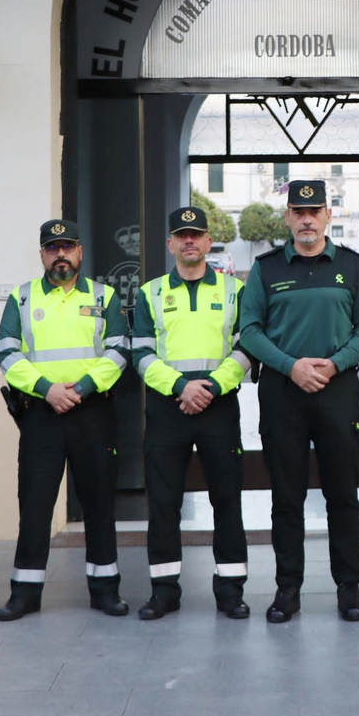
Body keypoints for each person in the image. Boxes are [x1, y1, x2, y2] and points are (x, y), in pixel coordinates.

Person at [237, 180, 359, 623]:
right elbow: (250, 331)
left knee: (343, 494)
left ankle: (349, 589)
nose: (306, 219)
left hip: (336, 390)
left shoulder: (353, 267)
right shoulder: (265, 269)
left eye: (314, 210)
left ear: (327, 215)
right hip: (283, 392)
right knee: (287, 497)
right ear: (287, 218)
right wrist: (290, 366)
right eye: (298, 211)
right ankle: (288, 590)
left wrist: (334, 366)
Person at [0, 219, 130, 621]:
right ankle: (25, 593)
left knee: (99, 502)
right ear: (41, 254)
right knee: (34, 503)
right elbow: (6, 354)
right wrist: (46, 390)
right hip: (41, 414)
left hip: (92, 413)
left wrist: (83, 387)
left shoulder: (104, 296)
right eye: (52, 248)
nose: (60, 255)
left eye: (67, 246)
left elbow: (120, 351)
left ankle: (105, 590)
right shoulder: (22, 299)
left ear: (80, 252)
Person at [133, 206, 252, 621]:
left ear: (207, 241)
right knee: (164, 502)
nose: (189, 241)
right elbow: (141, 354)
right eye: (181, 235)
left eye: (196, 235)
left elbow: (245, 347)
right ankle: (164, 591)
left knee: (227, 498)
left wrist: (214, 386)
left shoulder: (234, 290)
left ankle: (230, 590)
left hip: (218, 404)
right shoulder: (150, 292)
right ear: (170, 243)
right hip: (168, 406)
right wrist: (181, 387)